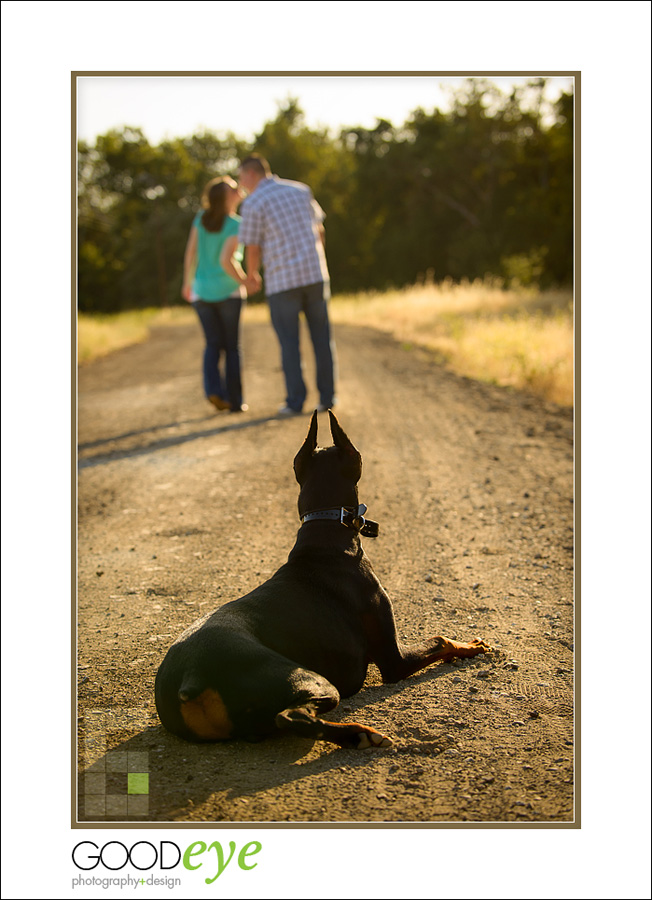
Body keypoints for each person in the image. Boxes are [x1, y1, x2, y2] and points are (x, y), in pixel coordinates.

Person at [237, 154, 337, 416]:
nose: (240, 183)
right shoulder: (300, 189)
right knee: (322, 339)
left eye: (241, 177)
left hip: (282, 281)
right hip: (315, 276)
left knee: (289, 343)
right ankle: (328, 398)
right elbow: (320, 230)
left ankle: (295, 402)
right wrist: (316, 260)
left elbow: (254, 246)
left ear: (250, 174)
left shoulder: (253, 203)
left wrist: (252, 275)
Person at [182, 176, 248, 413]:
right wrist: (246, 281)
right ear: (227, 197)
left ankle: (213, 391)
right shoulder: (237, 224)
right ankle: (235, 401)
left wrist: (187, 283)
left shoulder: (200, 218)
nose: (239, 190)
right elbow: (227, 261)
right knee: (232, 347)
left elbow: (190, 253)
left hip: (201, 291)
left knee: (212, 344)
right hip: (229, 291)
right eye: (234, 189)